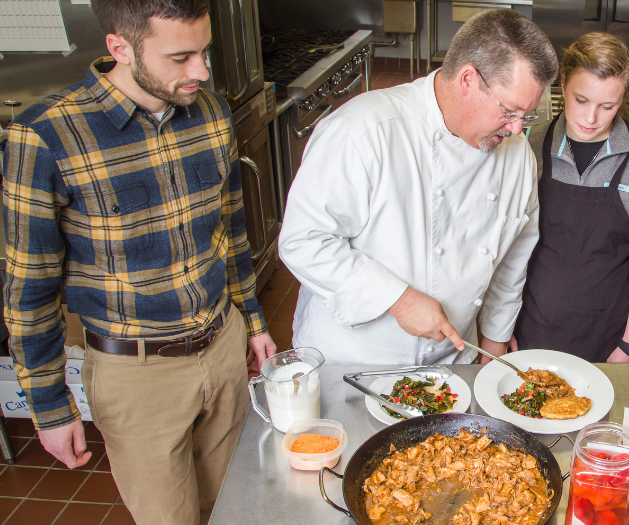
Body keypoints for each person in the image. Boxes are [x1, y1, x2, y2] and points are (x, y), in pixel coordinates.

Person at [0, 0, 277, 522]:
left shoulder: (212, 114)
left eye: (205, 52)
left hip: (223, 349)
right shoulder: (44, 137)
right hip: (136, 375)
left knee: (237, 506)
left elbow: (232, 233)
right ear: (119, 48)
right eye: (180, 57)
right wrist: (50, 408)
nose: (201, 71)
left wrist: (253, 321)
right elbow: (28, 290)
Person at [278, 9, 557, 365]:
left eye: (526, 115)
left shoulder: (516, 155)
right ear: (468, 79)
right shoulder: (364, 131)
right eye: (509, 111)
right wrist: (400, 300)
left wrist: (494, 342)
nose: (517, 129)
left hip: (450, 365)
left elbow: (513, 259)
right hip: (352, 364)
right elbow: (303, 240)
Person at [512, 32, 629, 363]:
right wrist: (501, 327)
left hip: (608, 338)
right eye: (581, 100)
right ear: (564, 83)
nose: (590, 118)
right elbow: (504, 242)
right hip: (530, 329)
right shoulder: (527, 144)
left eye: (607, 106)